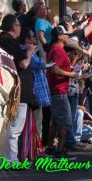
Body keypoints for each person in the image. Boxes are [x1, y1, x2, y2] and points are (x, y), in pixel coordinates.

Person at [0, 14, 36, 162]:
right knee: (14, 128)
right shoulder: (9, 42)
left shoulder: (0, 41)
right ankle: (11, 159)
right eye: (19, 26)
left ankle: (4, 158)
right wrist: (30, 53)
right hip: (17, 91)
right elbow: (24, 64)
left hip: (6, 89)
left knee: (7, 127)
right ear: (14, 27)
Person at [45, 25, 78, 160]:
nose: (67, 36)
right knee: (64, 121)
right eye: (66, 34)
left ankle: (51, 148)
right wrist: (71, 74)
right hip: (59, 91)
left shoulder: (55, 49)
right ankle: (60, 151)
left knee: (56, 121)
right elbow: (55, 70)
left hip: (56, 90)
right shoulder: (58, 50)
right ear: (60, 36)